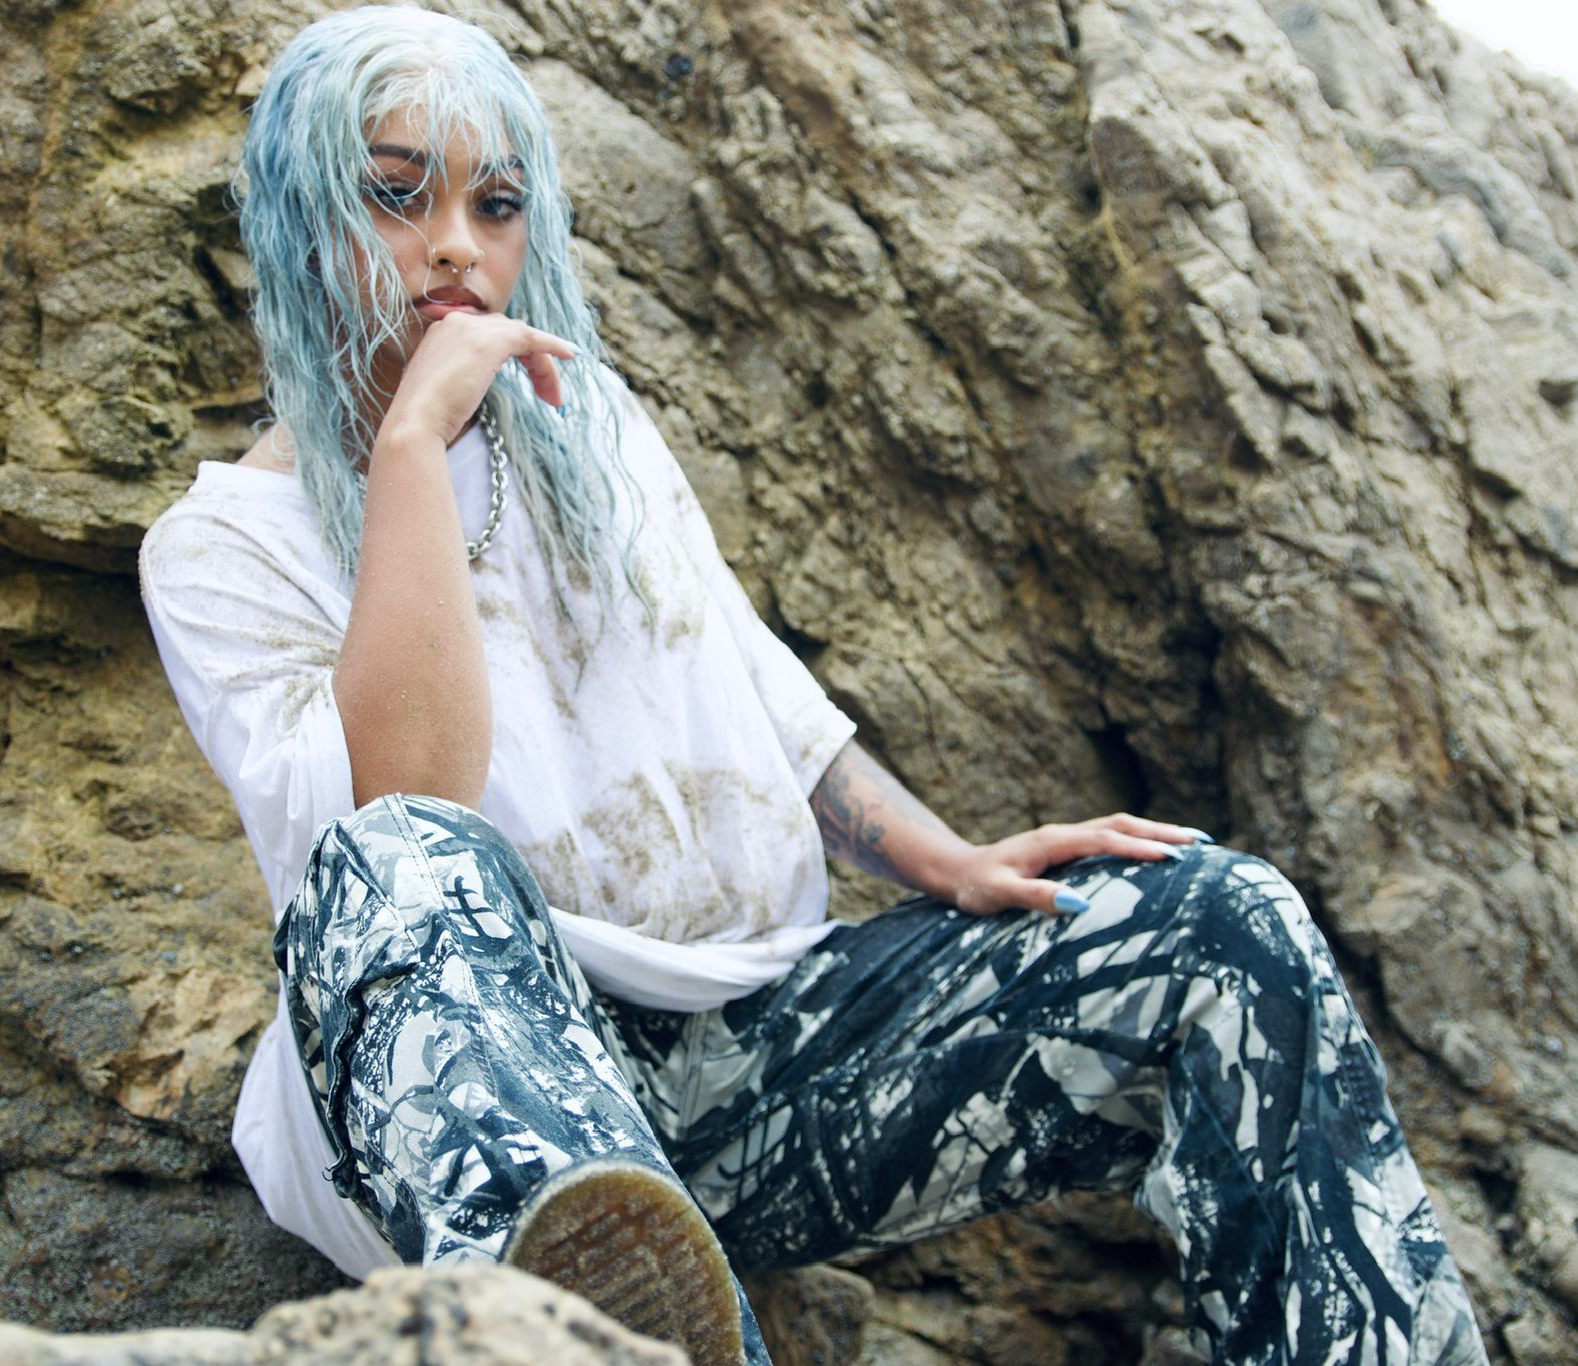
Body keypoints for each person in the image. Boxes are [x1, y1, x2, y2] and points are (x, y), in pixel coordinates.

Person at [135, 6, 1490, 1363]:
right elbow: (409, 809)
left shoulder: (585, 424)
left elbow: (747, 683)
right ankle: (613, 1301)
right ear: (300, 212)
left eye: (496, 207)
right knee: (401, 859)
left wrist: (941, 858)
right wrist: (414, 446)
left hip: (756, 1059)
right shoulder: (218, 550)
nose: (455, 247)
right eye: (394, 193)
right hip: (487, 1113)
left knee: (1220, 922)